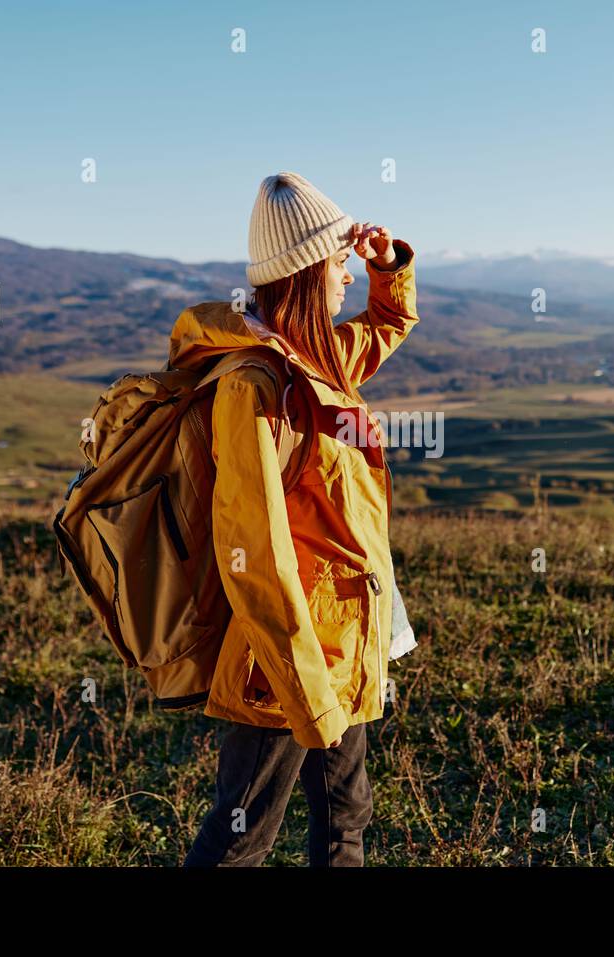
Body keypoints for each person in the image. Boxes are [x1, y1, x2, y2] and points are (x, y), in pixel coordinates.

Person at [174, 171, 420, 866]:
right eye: (338, 265)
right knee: (241, 833)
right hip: (287, 658)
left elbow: (387, 324)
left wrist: (385, 266)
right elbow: (253, 546)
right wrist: (305, 685)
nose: (346, 279)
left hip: (340, 640)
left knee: (346, 815)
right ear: (308, 273)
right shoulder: (256, 384)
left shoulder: (319, 360)